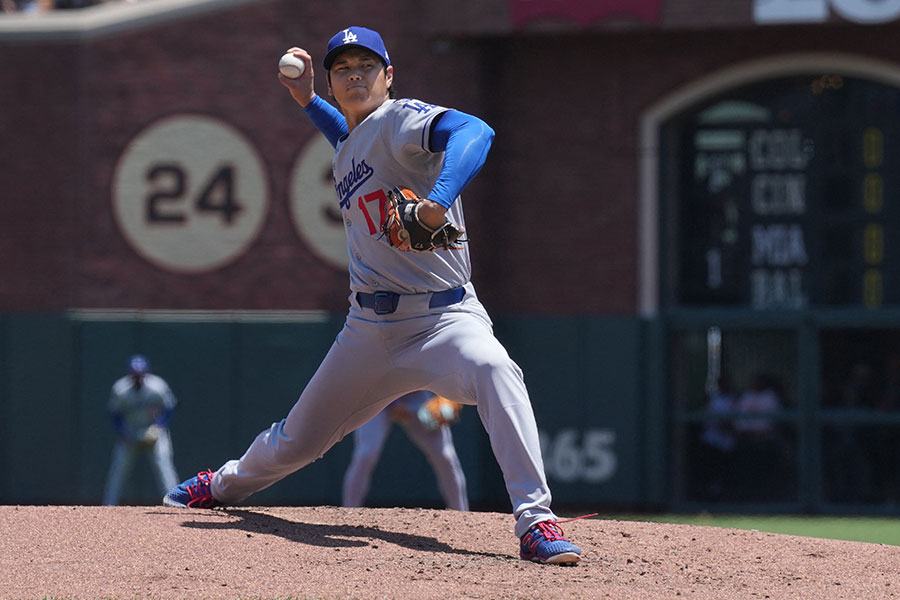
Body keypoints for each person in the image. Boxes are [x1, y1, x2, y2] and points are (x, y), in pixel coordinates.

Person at [163, 25, 582, 565]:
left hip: (445, 319)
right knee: (297, 441)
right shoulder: (355, 138)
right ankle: (223, 486)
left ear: (389, 76)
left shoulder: (400, 117)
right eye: (343, 68)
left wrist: (436, 201)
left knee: (497, 370)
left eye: (366, 66)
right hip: (369, 330)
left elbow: (475, 130)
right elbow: (347, 138)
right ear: (334, 82)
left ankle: (536, 521)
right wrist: (308, 99)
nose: (354, 74)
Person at [343, 391, 468, 511]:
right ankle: (349, 511)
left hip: (415, 397)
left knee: (445, 456)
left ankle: (462, 515)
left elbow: (445, 371)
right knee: (366, 454)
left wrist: (449, 395)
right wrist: (394, 403)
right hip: (377, 397)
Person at [103, 354, 179, 506]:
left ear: (145, 373)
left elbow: (170, 407)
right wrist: (122, 431)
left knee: (165, 468)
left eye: (140, 374)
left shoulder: (157, 386)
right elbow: (114, 413)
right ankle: (109, 506)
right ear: (130, 373)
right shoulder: (121, 389)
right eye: (135, 374)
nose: (137, 377)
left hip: (153, 433)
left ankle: (175, 502)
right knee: (118, 470)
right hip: (131, 432)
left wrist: (160, 426)